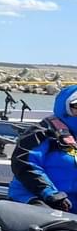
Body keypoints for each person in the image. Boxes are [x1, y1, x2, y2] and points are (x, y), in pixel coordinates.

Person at [8, 84, 77, 212]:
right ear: (65, 107)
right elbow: (24, 164)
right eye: (76, 106)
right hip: (36, 198)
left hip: (70, 203)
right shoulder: (41, 133)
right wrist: (50, 193)